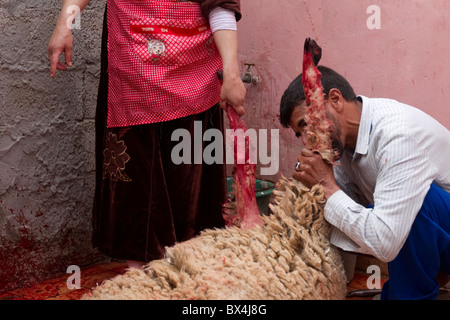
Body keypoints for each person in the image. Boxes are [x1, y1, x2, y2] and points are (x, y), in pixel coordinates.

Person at [48, 0, 246, 269]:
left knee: (189, 183)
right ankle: (138, 275)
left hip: (194, 75)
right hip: (132, 74)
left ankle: (192, 269)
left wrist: (232, 73)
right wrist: (64, 23)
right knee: (136, 183)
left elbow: (220, 6)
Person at [280, 65, 450, 300]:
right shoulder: (346, 139)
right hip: (440, 237)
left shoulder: (397, 136)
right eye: (300, 134)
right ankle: (428, 277)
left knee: (415, 203)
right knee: (356, 206)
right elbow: (342, 205)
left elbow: (385, 242)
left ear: (336, 99)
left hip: (435, 220)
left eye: (305, 124)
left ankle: (411, 294)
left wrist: (327, 185)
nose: (306, 140)